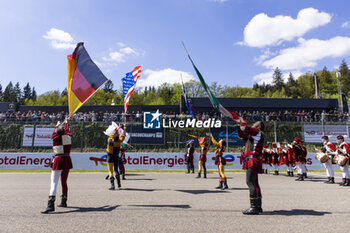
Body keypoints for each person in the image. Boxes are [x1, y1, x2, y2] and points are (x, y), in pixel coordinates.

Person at [41, 118, 73, 214]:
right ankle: (64, 201)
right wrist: (66, 123)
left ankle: (50, 205)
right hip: (67, 159)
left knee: (54, 182)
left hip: (58, 159)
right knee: (64, 182)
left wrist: (57, 125)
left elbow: (54, 133)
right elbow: (67, 131)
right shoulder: (68, 137)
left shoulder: (55, 137)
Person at [236, 119, 264, 215]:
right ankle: (258, 206)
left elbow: (244, 128)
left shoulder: (257, 132)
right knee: (255, 183)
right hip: (254, 159)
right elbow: (241, 135)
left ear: (258, 126)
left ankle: (254, 207)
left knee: (249, 182)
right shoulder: (254, 135)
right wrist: (238, 126)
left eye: (255, 124)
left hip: (252, 159)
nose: (253, 124)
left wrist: (241, 121)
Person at [106, 124, 126, 190]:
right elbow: (123, 136)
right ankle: (119, 184)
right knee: (116, 170)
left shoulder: (110, 141)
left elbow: (112, 134)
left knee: (110, 171)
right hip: (116, 157)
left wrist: (118, 128)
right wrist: (124, 128)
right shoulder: (119, 142)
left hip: (110, 157)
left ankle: (112, 186)